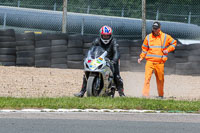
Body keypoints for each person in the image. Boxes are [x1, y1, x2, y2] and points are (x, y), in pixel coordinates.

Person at [74, 25, 125, 97]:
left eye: (107, 36)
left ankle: (121, 94)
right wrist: (86, 58)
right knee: (87, 72)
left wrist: (114, 60)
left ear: (111, 35)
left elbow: (116, 52)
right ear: (101, 35)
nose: (106, 37)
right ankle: (82, 92)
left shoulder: (114, 42)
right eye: (104, 36)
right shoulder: (96, 41)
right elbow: (90, 51)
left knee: (116, 76)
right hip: (99, 60)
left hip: (111, 60)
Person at [138, 21, 177, 98]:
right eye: (153, 29)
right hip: (150, 62)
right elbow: (144, 49)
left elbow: (174, 43)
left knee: (160, 80)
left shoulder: (165, 37)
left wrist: (168, 50)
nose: (154, 30)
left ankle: (160, 95)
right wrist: (141, 57)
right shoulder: (148, 37)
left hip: (160, 63)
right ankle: (145, 95)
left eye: (156, 29)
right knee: (147, 78)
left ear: (159, 29)